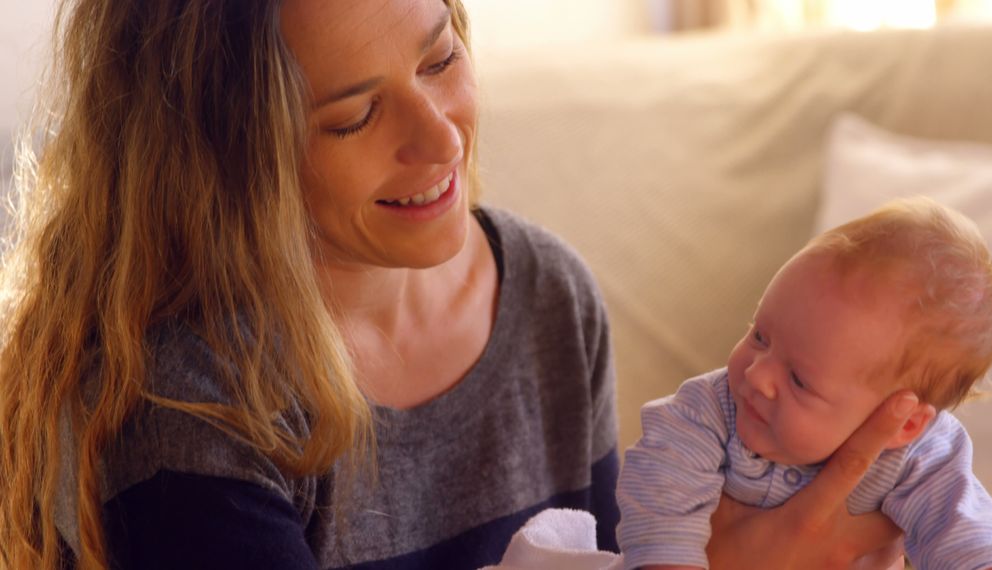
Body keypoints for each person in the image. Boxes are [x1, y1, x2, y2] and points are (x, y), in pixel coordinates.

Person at [0, 1, 913, 569]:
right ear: (227, 167)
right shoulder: (188, 408)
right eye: (356, 115)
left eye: (439, 60)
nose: (440, 140)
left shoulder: (551, 297)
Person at [617, 197, 992, 570]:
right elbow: (659, 506)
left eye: (798, 380)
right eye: (760, 335)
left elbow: (968, 531)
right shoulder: (706, 412)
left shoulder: (925, 457)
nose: (757, 375)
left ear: (904, 425)